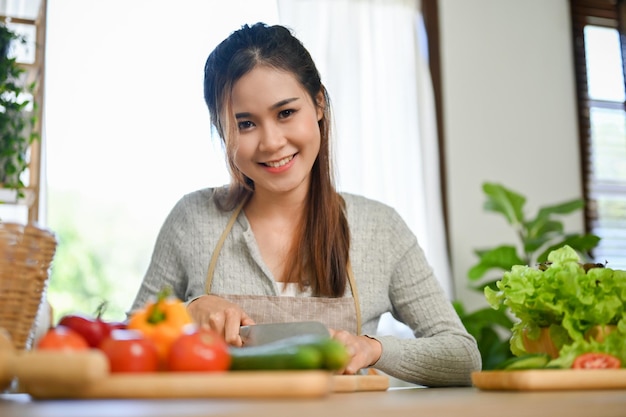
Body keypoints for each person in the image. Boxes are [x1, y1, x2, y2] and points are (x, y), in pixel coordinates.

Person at [130, 22, 481, 387]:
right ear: (222, 131)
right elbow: (125, 344)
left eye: (285, 113)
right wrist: (186, 314)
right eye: (246, 124)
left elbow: (462, 356)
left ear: (318, 104)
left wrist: (373, 349)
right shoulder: (193, 219)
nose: (271, 142)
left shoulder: (380, 228)